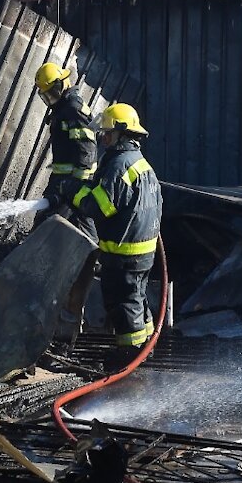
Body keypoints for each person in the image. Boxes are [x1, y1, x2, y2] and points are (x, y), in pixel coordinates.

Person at [53, 103, 163, 371]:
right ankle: (145, 346)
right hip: (141, 251)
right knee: (136, 299)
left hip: (123, 252)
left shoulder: (118, 166)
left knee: (122, 304)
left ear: (123, 133)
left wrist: (71, 190)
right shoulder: (139, 163)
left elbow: (97, 208)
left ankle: (130, 354)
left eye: (108, 133)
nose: (103, 137)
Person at [33, 63, 99, 241]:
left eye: (52, 93)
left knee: (77, 218)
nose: (50, 98)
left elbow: (86, 147)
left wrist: (75, 183)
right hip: (62, 178)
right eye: (46, 96)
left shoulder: (73, 108)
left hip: (75, 179)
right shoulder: (63, 107)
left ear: (63, 84)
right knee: (57, 218)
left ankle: (93, 261)